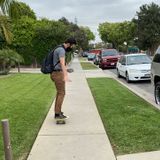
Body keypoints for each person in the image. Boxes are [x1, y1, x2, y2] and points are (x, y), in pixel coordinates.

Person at [50, 38, 77, 119]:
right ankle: (57, 114)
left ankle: (57, 112)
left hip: (56, 73)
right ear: (69, 44)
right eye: (72, 46)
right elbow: (62, 63)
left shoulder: (58, 48)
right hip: (58, 74)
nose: (72, 47)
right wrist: (65, 76)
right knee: (62, 93)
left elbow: (59, 64)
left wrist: (67, 70)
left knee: (59, 93)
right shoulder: (61, 50)